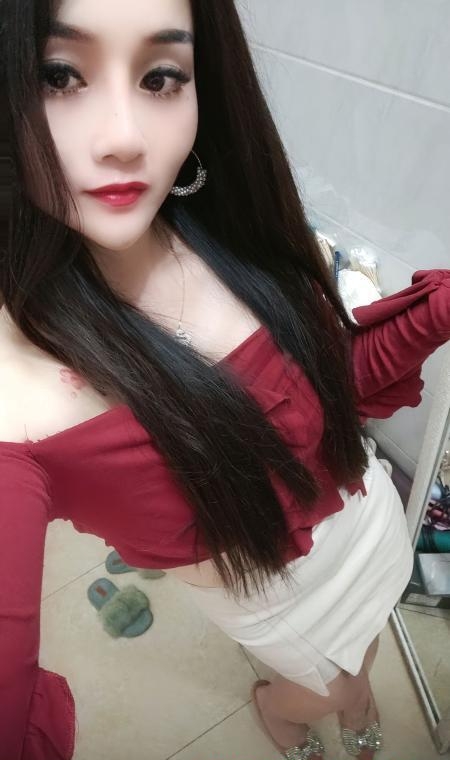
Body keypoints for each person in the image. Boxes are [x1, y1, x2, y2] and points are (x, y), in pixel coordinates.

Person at [0, 1, 449, 758]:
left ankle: (352, 691)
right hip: (278, 603)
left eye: (160, 77)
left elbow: (324, 393)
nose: (124, 138)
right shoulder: (14, 397)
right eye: (59, 75)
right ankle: (285, 707)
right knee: (324, 685)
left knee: (361, 656)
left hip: (366, 522)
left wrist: (435, 315)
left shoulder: (232, 234)